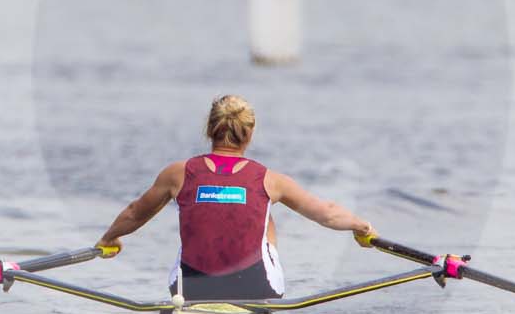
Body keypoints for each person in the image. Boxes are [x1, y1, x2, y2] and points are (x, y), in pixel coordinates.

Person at [96, 95, 374, 302]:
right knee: (265, 218)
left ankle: (195, 306)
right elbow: (327, 212)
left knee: (224, 220)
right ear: (250, 134)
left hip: (191, 288)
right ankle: (256, 301)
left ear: (209, 129)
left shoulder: (177, 174)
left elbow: (135, 213)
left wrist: (108, 238)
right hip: (252, 286)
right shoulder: (270, 180)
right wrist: (362, 228)